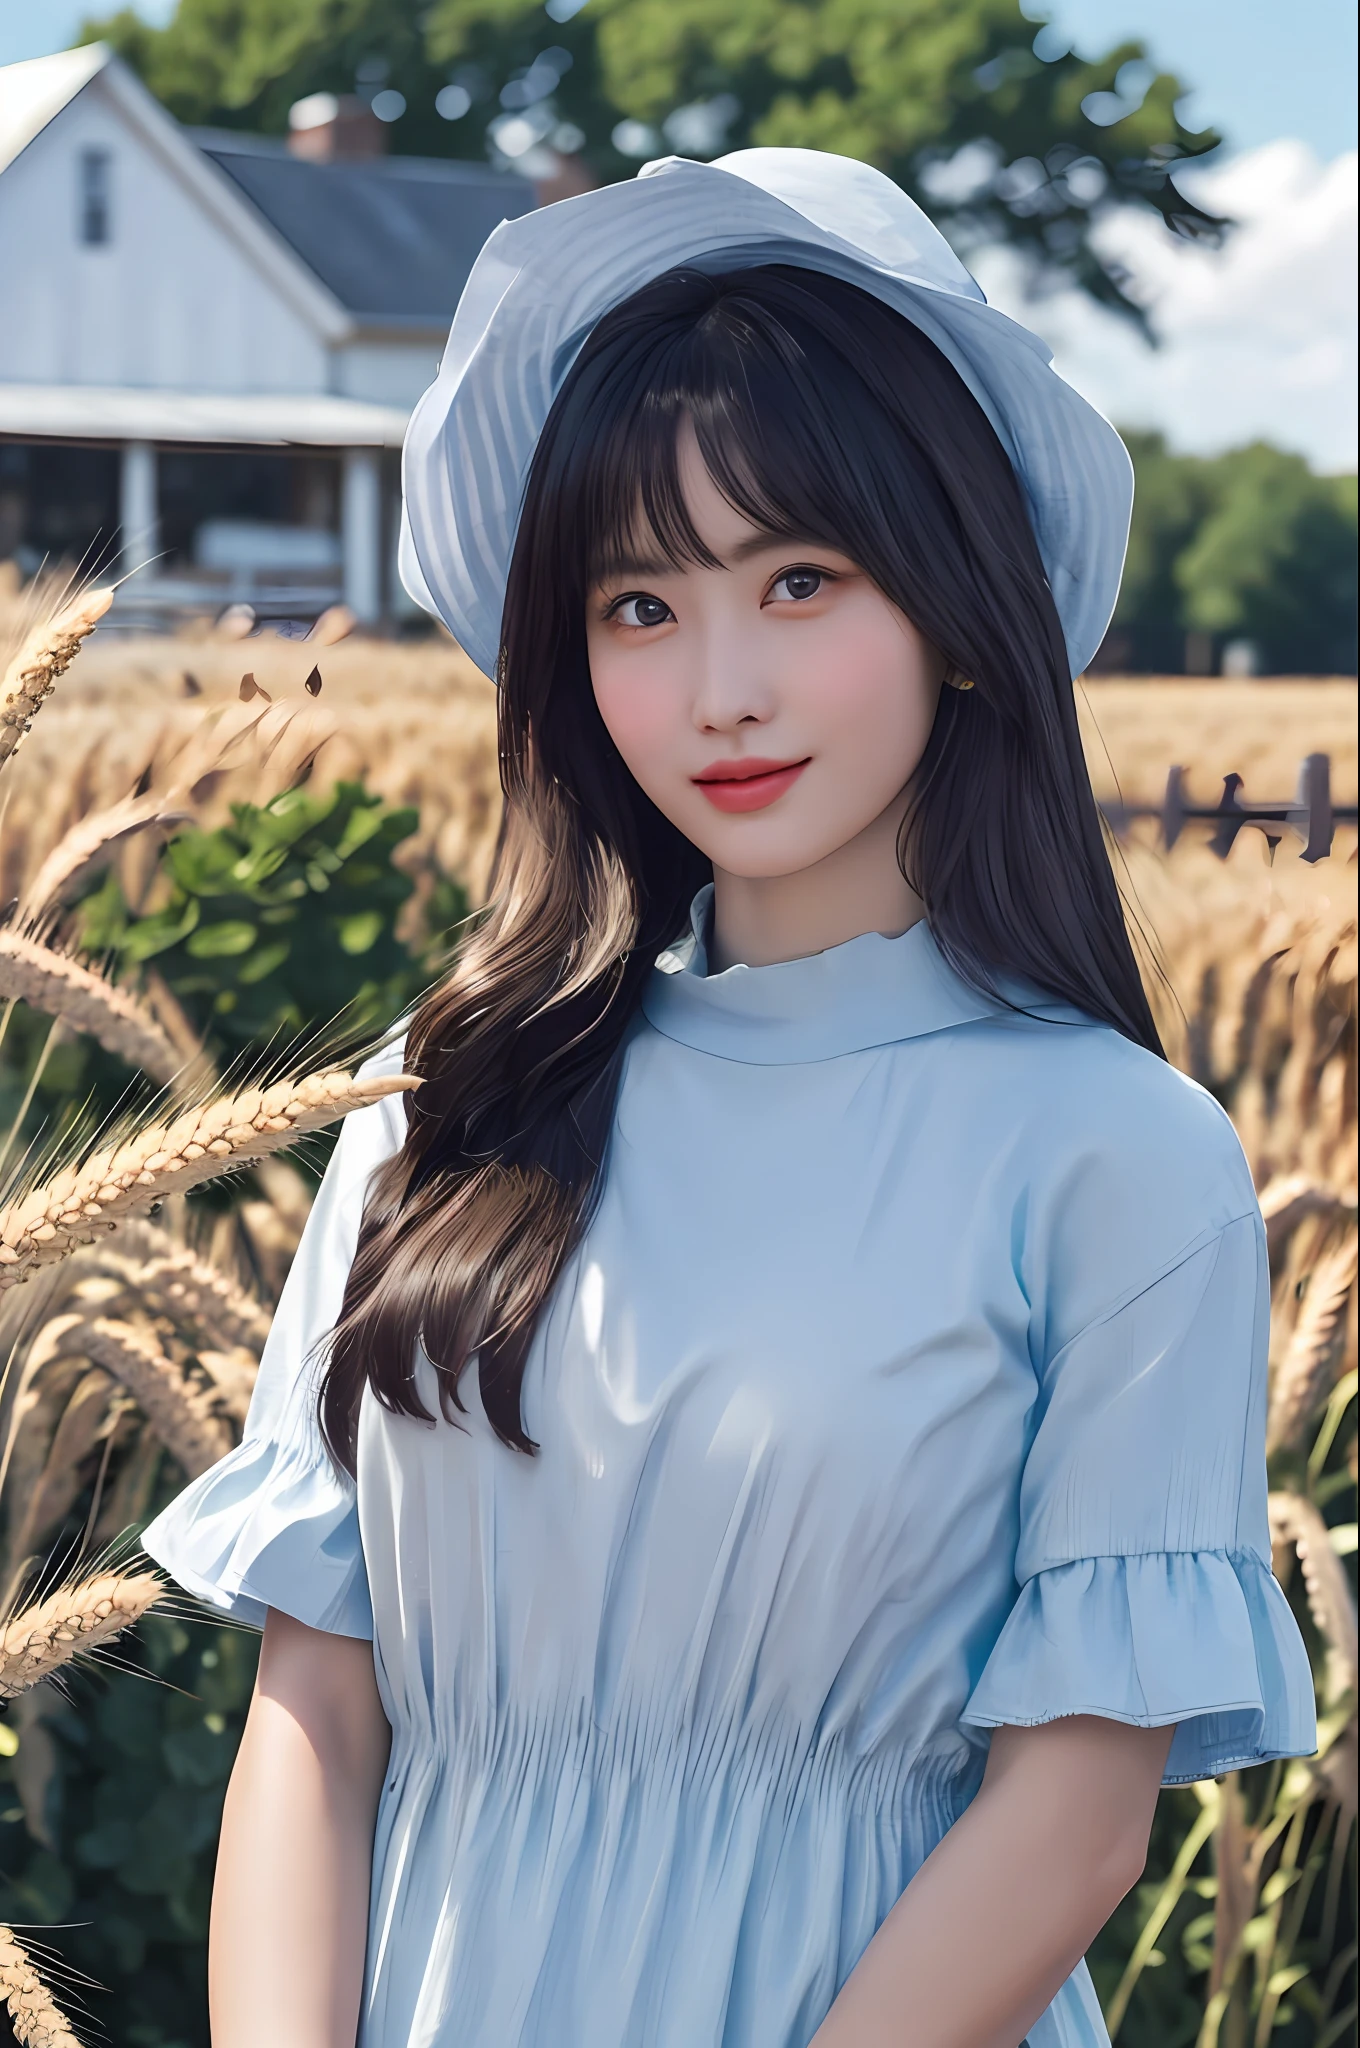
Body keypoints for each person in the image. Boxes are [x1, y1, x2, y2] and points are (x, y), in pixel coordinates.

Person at [142, 149, 1316, 2048]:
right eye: (637, 606)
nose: (724, 689)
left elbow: (1083, 1814)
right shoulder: (446, 1111)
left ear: (955, 603)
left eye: (798, 580)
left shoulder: (1114, 1156)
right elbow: (317, 1705)